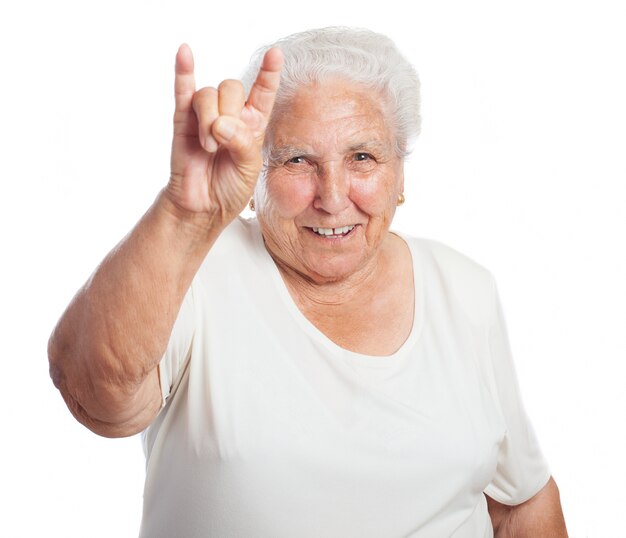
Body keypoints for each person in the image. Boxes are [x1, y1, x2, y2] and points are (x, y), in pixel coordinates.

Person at [48, 27, 568, 537]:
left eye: (362, 157)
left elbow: (520, 502)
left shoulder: (465, 289)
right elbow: (96, 399)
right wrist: (184, 216)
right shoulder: (198, 270)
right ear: (254, 175)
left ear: (401, 176)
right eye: (298, 160)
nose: (334, 196)